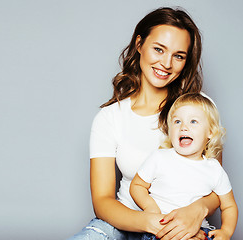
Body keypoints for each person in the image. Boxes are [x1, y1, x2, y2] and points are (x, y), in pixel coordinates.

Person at [69, 7, 221, 240]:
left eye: (178, 56)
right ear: (139, 44)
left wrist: (195, 212)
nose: (166, 63)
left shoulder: (200, 108)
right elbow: (102, 201)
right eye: (158, 49)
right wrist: (152, 223)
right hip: (123, 226)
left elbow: (218, 186)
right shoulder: (109, 117)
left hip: (186, 229)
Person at [130, 93, 238, 240]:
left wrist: (226, 231)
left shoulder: (214, 169)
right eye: (177, 122)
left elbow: (229, 206)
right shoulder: (160, 157)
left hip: (199, 231)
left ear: (210, 132)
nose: (184, 127)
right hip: (160, 228)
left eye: (193, 121)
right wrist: (150, 207)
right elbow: (137, 185)